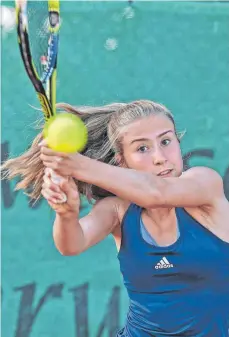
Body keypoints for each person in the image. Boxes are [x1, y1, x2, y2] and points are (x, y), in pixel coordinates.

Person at [3, 100, 229, 336]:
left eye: (165, 141)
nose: (160, 157)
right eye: (142, 148)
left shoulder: (205, 185)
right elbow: (71, 244)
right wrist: (66, 213)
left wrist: (78, 165)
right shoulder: (117, 210)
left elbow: (157, 193)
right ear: (122, 161)